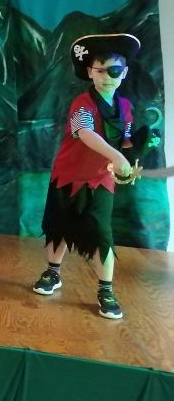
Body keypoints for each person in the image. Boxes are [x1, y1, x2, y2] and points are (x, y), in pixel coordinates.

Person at [32, 33, 157, 320]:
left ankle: (106, 289)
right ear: (90, 72)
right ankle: (52, 272)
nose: (107, 77)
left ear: (124, 73)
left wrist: (137, 147)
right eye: (100, 70)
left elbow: (124, 141)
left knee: (102, 233)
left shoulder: (125, 107)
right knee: (58, 227)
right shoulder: (82, 103)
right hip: (67, 176)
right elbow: (85, 132)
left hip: (101, 180)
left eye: (114, 71)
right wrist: (117, 156)